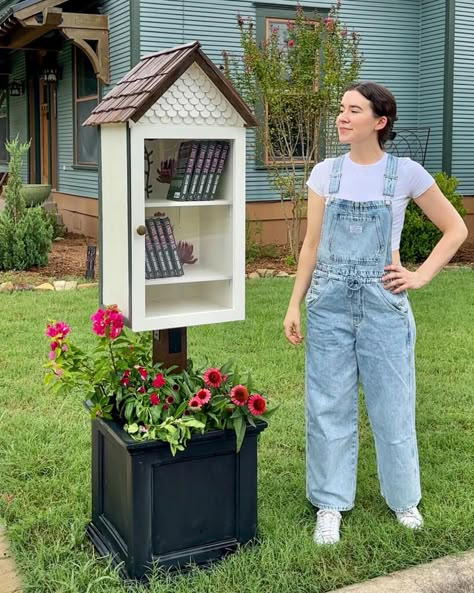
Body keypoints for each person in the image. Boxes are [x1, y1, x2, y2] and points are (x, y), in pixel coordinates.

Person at [283, 81, 468, 545]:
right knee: (328, 406)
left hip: (384, 304)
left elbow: (455, 229)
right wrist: (294, 303)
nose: (342, 117)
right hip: (328, 304)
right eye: (341, 109)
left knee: (393, 404)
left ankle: (404, 499)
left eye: (353, 110)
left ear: (379, 122)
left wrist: (419, 276)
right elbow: (310, 244)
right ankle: (330, 503)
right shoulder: (325, 173)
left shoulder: (404, 174)